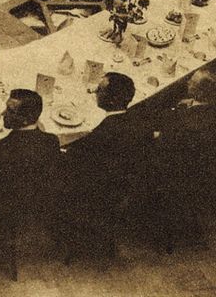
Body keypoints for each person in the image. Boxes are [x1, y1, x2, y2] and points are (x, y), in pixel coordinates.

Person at [62, 72, 153, 256]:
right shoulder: (140, 125)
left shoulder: (102, 133)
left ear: (110, 100)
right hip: (124, 188)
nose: (95, 92)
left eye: (100, 90)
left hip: (97, 189)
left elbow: (73, 156)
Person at [150, 70, 216, 249]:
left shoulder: (188, 123)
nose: (187, 84)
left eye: (192, 83)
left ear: (201, 93)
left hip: (177, 169)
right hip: (202, 166)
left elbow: (164, 140)